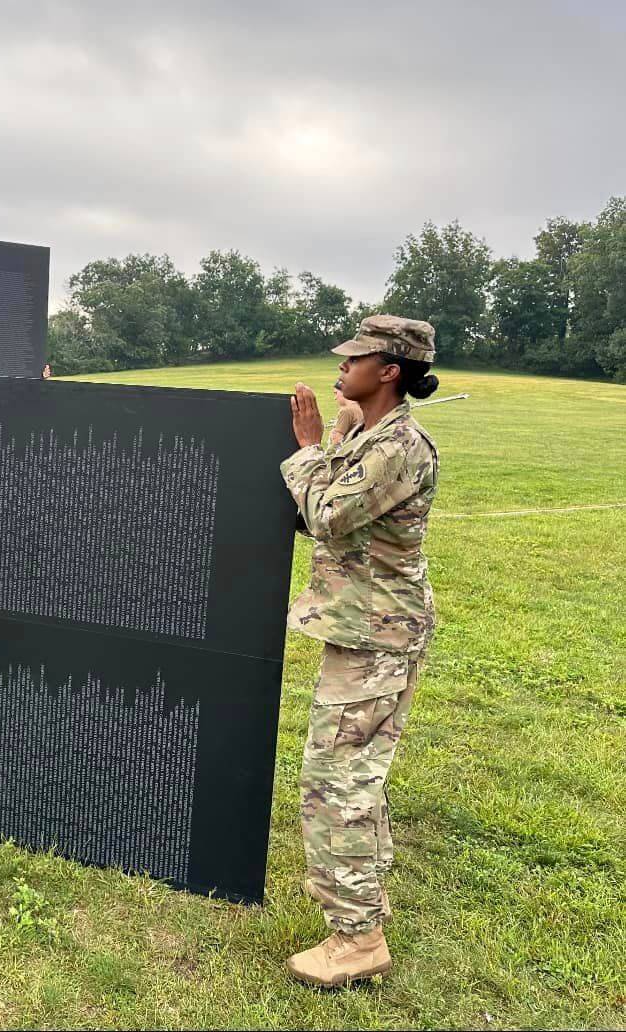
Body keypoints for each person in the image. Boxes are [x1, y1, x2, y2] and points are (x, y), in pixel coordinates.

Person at [279, 314, 441, 987]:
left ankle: (357, 939)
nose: (341, 367)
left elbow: (327, 514)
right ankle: (361, 900)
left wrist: (311, 447)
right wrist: (341, 436)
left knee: (335, 784)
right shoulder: (374, 436)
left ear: (390, 370)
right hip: (367, 631)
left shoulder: (398, 448)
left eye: (356, 359)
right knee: (356, 779)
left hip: (377, 638)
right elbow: (338, 492)